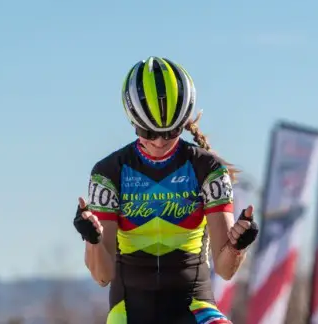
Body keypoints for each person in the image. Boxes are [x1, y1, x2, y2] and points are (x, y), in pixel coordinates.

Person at [73, 57, 259, 324]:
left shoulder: (207, 169)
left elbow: (225, 270)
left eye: (171, 131)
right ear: (132, 120)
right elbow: (102, 277)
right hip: (130, 311)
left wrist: (238, 245)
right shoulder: (110, 172)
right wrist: (92, 239)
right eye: (148, 131)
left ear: (183, 124)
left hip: (193, 305)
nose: (160, 141)